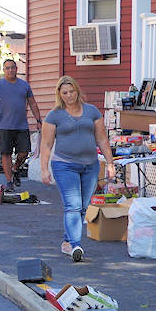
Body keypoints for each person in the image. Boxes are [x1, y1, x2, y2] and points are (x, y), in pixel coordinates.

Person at [39, 75, 116, 262]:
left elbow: (102, 139)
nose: (69, 95)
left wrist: (110, 163)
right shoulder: (54, 115)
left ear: (77, 91)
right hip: (64, 165)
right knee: (72, 206)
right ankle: (75, 245)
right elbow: (46, 144)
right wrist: (44, 169)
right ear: (59, 94)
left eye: (71, 91)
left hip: (90, 165)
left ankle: (67, 242)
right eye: (64, 93)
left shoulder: (92, 112)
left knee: (82, 207)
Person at [0, 59, 42, 190]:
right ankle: (9, 181)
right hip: (4, 125)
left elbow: (33, 103)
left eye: (13, 67)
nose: (10, 70)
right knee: (5, 154)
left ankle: (15, 168)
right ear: (4, 70)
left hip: (21, 125)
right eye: (7, 68)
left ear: (17, 69)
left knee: (24, 152)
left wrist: (39, 120)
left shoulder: (24, 85)